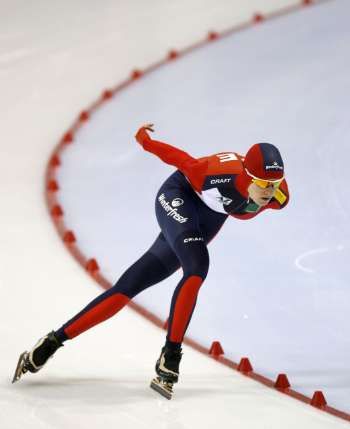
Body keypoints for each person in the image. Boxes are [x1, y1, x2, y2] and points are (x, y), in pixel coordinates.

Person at [13, 124, 289, 399]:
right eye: (263, 184)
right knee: (197, 267)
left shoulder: (277, 196)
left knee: (129, 286)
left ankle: (50, 342)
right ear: (246, 176)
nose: (268, 192)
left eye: (274, 185)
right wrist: (145, 140)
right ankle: (171, 356)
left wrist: (271, 188)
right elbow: (179, 158)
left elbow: (268, 193)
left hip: (207, 220)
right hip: (178, 196)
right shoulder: (214, 175)